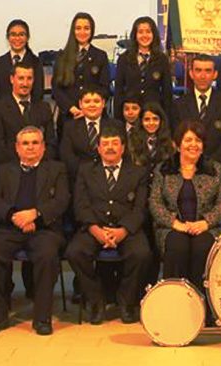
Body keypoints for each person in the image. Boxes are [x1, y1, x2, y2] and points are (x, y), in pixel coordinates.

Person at [0, 127, 70, 336]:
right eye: (25, 143)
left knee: (47, 256)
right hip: (10, 228)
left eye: (35, 142)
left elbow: (62, 200)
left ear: (43, 146)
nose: (30, 147)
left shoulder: (57, 169)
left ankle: (42, 319)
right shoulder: (4, 170)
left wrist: (36, 215)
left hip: (45, 230)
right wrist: (15, 215)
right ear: (17, 148)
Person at [67, 128, 152, 325]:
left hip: (126, 230)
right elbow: (80, 205)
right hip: (94, 227)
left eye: (115, 143)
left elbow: (140, 208)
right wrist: (95, 229)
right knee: (75, 252)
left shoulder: (138, 172)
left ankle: (126, 302)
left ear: (123, 148)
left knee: (141, 254)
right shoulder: (86, 171)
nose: (110, 148)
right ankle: (96, 300)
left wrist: (123, 230)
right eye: (105, 144)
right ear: (98, 148)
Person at [148, 120, 221, 298]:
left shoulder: (214, 169)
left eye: (198, 141)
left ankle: (204, 307)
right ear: (177, 145)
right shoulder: (163, 169)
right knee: (178, 247)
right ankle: (176, 303)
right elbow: (155, 202)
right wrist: (174, 223)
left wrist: (206, 222)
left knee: (203, 248)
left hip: (206, 228)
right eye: (188, 140)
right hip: (172, 228)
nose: (194, 145)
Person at [0, 60, 58, 165]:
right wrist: (24, 164)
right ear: (12, 79)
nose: (25, 83)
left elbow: (51, 144)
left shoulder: (44, 108)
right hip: (10, 170)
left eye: (29, 78)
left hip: (41, 170)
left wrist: (36, 163)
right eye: (21, 78)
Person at [175, 54, 221, 166]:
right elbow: (177, 140)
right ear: (191, 74)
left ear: (215, 74)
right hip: (187, 168)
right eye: (198, 70)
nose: (202, 76)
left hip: (219, 169)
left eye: (208, 71)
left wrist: (210, 165)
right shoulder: (178, 104)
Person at [52, 13, 111, 120]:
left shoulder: (100, 56)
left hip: (95, 114)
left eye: (86, 28)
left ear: (92, 30)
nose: (82, 32)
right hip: (69, 115)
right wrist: (71, 108)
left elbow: (105, 88)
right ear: (73, 31)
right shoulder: (62, 56)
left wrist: (89, 109)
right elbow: (56, 89)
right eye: (78, 28)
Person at [59, 88, 125, 180]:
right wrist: (87, 173)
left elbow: (121, 154)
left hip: (110, 176)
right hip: (79, 177)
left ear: (103, 103)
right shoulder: (70, 127)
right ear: (80, 104)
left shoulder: (116, 125)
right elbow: (67, 157)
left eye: (96, 101)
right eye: (87, 101)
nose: (92, 105)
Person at [114, 17, 173, 119]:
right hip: (131, 113)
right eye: (140, 32)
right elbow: (118, 91)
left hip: (153, 114)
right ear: (135, 35)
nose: (144, 35)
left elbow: (167, 92)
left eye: (148, 32)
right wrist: (118, 119)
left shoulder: (162, 59)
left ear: (154, 35)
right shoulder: (124, 59)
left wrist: (166, 118)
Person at [0, 19, 45, 102]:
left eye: (21, 34)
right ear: (8, 37)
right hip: (2, 112)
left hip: (28, 111)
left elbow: (38, 94)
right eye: (13, 35)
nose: (17, 38)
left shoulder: (36, 62)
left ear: (27, 37)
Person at [128, 102, 176, 169]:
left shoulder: (170, 143)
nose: (151, 123)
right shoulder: (132, 142)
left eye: (155, 119)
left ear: (161, 121)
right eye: (147, 119)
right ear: (141, 122)